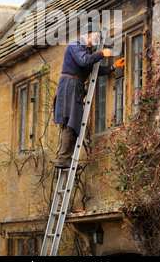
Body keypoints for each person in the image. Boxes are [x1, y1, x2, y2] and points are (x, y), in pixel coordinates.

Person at [53, 22, 125, 169]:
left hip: (75, 86)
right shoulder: (75, 45)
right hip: (70, 85)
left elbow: (95, 70)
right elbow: (83, 60)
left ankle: (62, 157)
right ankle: (63, 158)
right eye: (97, 36)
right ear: (88, 34)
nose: (98, 39)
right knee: (72, 122)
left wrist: (114, 66)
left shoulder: (86, 51)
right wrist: (101, 54)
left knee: (71, 122)